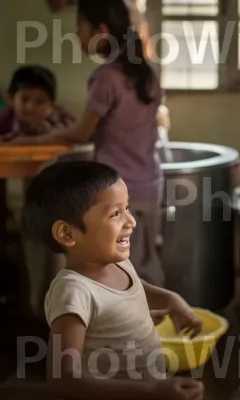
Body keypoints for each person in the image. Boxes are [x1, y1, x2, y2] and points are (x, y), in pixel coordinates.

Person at [4, 0, 166, 287]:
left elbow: (82, 133)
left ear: (101, 31)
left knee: (115, 272)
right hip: (150, 184)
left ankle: (122, 327)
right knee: (143, 266)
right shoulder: (145, 75)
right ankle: (151, 326)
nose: (77, 35)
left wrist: (31, 139)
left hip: (117, 189)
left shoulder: (106, 77)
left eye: (80, 28)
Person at [22, 160, 204, 400]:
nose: (131, 222)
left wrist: (169, 300)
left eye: (127, 208)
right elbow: (62, 377)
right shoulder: (73, 292)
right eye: (115, 214)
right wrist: (153, 390)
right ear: (67, 233)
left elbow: (136, 287)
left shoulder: (115, 262)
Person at [0, 65, 76, 141]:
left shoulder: (62, 120)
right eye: (24, 100)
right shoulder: (5, 118)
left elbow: (78, 139)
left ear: (51, 104)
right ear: (11, 98)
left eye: (40, 102)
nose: (30, 107)